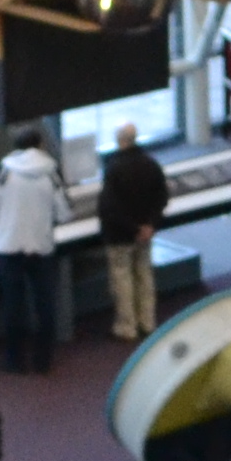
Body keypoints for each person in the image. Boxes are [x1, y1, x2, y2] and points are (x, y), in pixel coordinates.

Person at [0, 136, 68, 373]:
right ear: (40, 144)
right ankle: (43, 361)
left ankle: (15, 360)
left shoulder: (3, 171)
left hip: (8, 246)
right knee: (45, 304)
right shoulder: (51, 171)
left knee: (13, 305)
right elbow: (63, 213)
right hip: (41, 246)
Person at [95, 123, 172, 342]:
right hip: (145, 233)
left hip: (120, 235)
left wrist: (132, 227)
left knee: (122, 279)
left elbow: (109, 207)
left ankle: (126, 326)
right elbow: (162, 197)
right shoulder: (151, 164)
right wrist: (149, 226)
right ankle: (147, 321)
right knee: (145, 275)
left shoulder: (113, 168)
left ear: (120, 140)